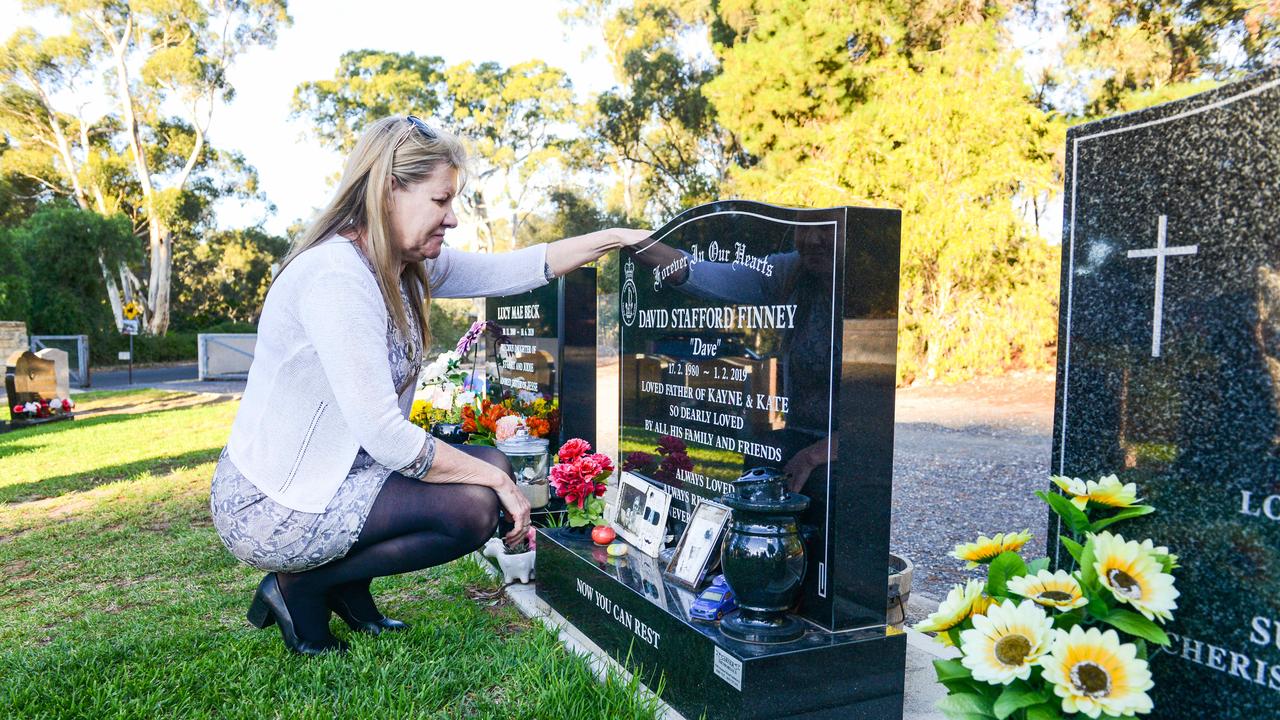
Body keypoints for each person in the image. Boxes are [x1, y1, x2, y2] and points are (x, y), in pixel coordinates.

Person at [209, 115, 649, 655]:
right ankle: (301, 584)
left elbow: (514, 268)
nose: (453, 219)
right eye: (441, 201)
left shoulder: (400, 263)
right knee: (474, 508)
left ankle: (346, 585)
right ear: (389, 189)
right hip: (278, 501)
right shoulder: (337, 278)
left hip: (345, 473)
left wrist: (613, 239)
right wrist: (503, 489)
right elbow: (386, 435)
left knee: (494, 466)